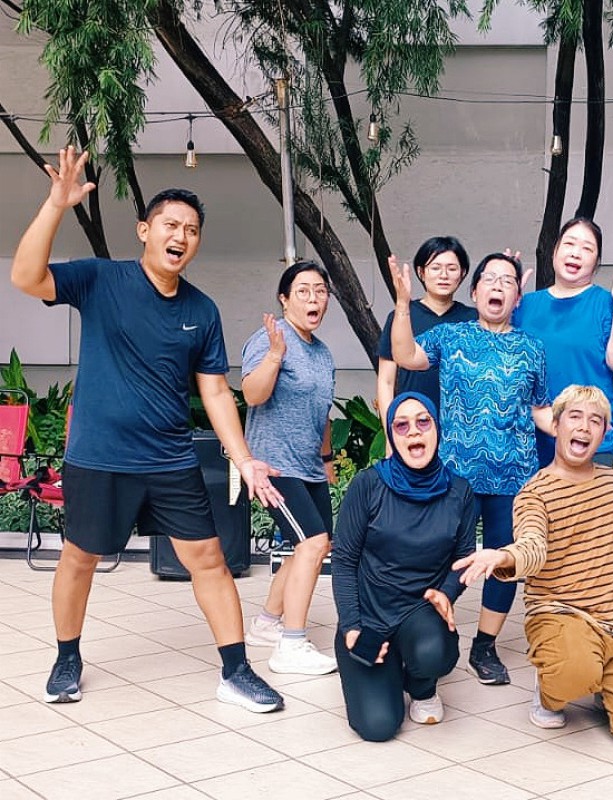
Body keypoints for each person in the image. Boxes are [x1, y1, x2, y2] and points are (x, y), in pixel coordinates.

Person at [10, 147, 284, 713]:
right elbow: (25, 277)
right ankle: (67, 657)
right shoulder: (100, 279)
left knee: (208, 558)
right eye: (170, 225)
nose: (180, 236)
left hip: (169, 460)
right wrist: (56, 204)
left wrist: (243, 457)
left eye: (191, 230)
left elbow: (215, 392)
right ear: (145, 230)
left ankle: (236, 670)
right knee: (79, 557)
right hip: (99, 456)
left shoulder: (201, 311)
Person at [455, 385, 613, 745]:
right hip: (563, 615)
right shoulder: (535, 493)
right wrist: (503, 556)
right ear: (556, 425)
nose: (584, 426)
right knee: (574, 673)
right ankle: (552, 687)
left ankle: (607, 682)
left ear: (604, 433)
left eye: (595, 420)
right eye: (575, 416)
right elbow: (533, 548)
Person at [390, 252, 551, 686]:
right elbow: (405, 355)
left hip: (513, 475)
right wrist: (403, 304)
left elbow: (540, 408)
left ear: (518, 297)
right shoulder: (450, 335)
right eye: (489, 279)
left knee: (504, 561)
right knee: (437, 554)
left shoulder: (532, 348)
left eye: (508, 280)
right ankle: (426, 633)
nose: (498, 285)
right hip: (455, 474)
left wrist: (576, 427)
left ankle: (485, 646)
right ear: (475, 291)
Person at [332, 392, 476, 740]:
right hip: (369, 615)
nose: (414, 431)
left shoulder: (459, 491)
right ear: (392, 436)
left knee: (433, 653)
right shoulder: (368, 485)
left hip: (420, 610)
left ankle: (421, 684)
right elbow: (344, 560)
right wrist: (351, 626)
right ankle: (389, 669)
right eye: (402, 425)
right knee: (378, 726)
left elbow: (464, 557)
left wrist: (447, 592)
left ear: (437, 429)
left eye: (423, 422)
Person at [241, 260, 338, 676]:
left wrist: (327, 460)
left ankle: (267, 623)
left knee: (313, 546)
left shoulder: (323, 352)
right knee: (312, 544)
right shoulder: (269, 339)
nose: (314, 298)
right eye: (303, 291)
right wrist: (276, 356)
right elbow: (252, 394)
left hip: (309, 467)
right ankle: (292, 645)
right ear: (284, 299)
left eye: (320, 291)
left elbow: (322, 411)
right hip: (274, 467)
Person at [514, 217, 613, 467]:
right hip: (531, 438)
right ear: (554, 251)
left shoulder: (606, 303)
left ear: (596, 262)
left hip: (589, 439)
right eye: (569, 244)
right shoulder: (526, 305)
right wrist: (505, 293)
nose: (576, 253)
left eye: (587, 248)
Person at [376, 236, 478, 453]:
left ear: (462, 273)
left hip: (462, 434)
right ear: (421, 272)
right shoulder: (401, 317)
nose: (444, 275)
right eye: (436, 268)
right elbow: (386, 381)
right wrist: (391, 434)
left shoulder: (473, 320)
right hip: (413, 430)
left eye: (452, 268)